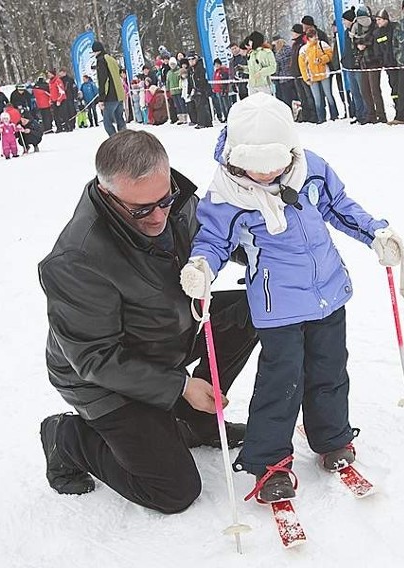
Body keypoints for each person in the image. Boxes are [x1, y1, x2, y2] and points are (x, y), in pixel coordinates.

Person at [178, 94, 404, 503]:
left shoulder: (310, 168)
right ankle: (268, 461)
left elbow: (339, 206)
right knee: (282, 381)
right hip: (277, 308)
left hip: (328, 293)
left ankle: (333, 438)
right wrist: (201, 268)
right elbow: (212, 240)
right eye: (257, 166)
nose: (267, 174)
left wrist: (375, 233)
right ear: (236, 155)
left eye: (276, 164)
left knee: (330, 371)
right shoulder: (226, 195)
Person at [38, 130, 258, 512]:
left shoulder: (172, 198)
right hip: (104, 378)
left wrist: (275, 250)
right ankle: (67, 437)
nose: (158, 216)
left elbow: (217, 237)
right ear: (108, 194)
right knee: (174, 491)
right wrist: (179, 385)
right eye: (141, 209)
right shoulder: (77, 259)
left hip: (169, 331)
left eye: (164, 201)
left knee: (254, 308)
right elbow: (94, 359)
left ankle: (193, 421)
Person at [352, 6, 389, 124]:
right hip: (363, 61)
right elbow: (353, 39)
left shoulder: (374, 25)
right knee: (365, 90)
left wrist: (363, 43)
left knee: (375, 89)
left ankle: (381, 115)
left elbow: (373, 38)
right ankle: (371, 115)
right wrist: (358, 44)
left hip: (374, 60)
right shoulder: (357, 27)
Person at [299, 28, 336, 123]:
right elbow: (302, 66)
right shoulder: (303, 50)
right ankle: (321, 118)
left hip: (324, 73)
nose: (315, 38)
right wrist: (306, 78)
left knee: (329, 95)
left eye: (315, 35)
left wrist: (322, 59)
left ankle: (334, 115)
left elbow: (330, 55)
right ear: (308, 38)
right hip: (312, 76)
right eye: (312, 36)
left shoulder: (322, 44)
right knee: (317, 98)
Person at [93, 40, 127, 136]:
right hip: (119, 94)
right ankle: (125, 138)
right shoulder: (111, 59)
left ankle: (115, 141)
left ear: (96, 51)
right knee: (120, 119)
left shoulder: (101, 60)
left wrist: (101, 98)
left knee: (107, 122)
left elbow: (103, 80)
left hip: (110, 96)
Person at [373, 10, 400, 112]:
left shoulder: (395, 27)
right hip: (389, 65)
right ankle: (397, 107)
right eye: (376, 20)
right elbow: (377, 50)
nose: (378, 22)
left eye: (379, 20)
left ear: (385, 19)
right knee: (394, 86)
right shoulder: (377, 33)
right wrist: (382, 62)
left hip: (399, 63)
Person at [290, 24, 317, 123]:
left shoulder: (303, 42)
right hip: (296, 73)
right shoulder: (295, 44)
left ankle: (313, 114)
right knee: (302, 96)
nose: (292, 34)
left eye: (293, 32)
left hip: (303, 73)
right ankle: (305, 114)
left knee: (308, 95)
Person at [186, 52, 214, 128]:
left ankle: (203, 122)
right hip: (195, 90)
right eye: (189, 60)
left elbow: (202, 79)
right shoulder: (190, 70)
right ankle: (207, 122)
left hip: (202, 89)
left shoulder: (200, 67)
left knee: (202, 106)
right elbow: (190, 81)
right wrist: (189, 91)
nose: (191, 61)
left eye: (192, 59)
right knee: (198, 106)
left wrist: (200, 88)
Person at [245, 31, 278, 96]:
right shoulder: (251, 54)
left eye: (250, 41)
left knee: (265, 105)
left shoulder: (266, 52)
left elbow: (273, 68)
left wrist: (261, 73)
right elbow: (252, 69)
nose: (249, 43)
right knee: (254, 105)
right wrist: (243, 69)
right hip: (252, 85)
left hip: (264, 85)